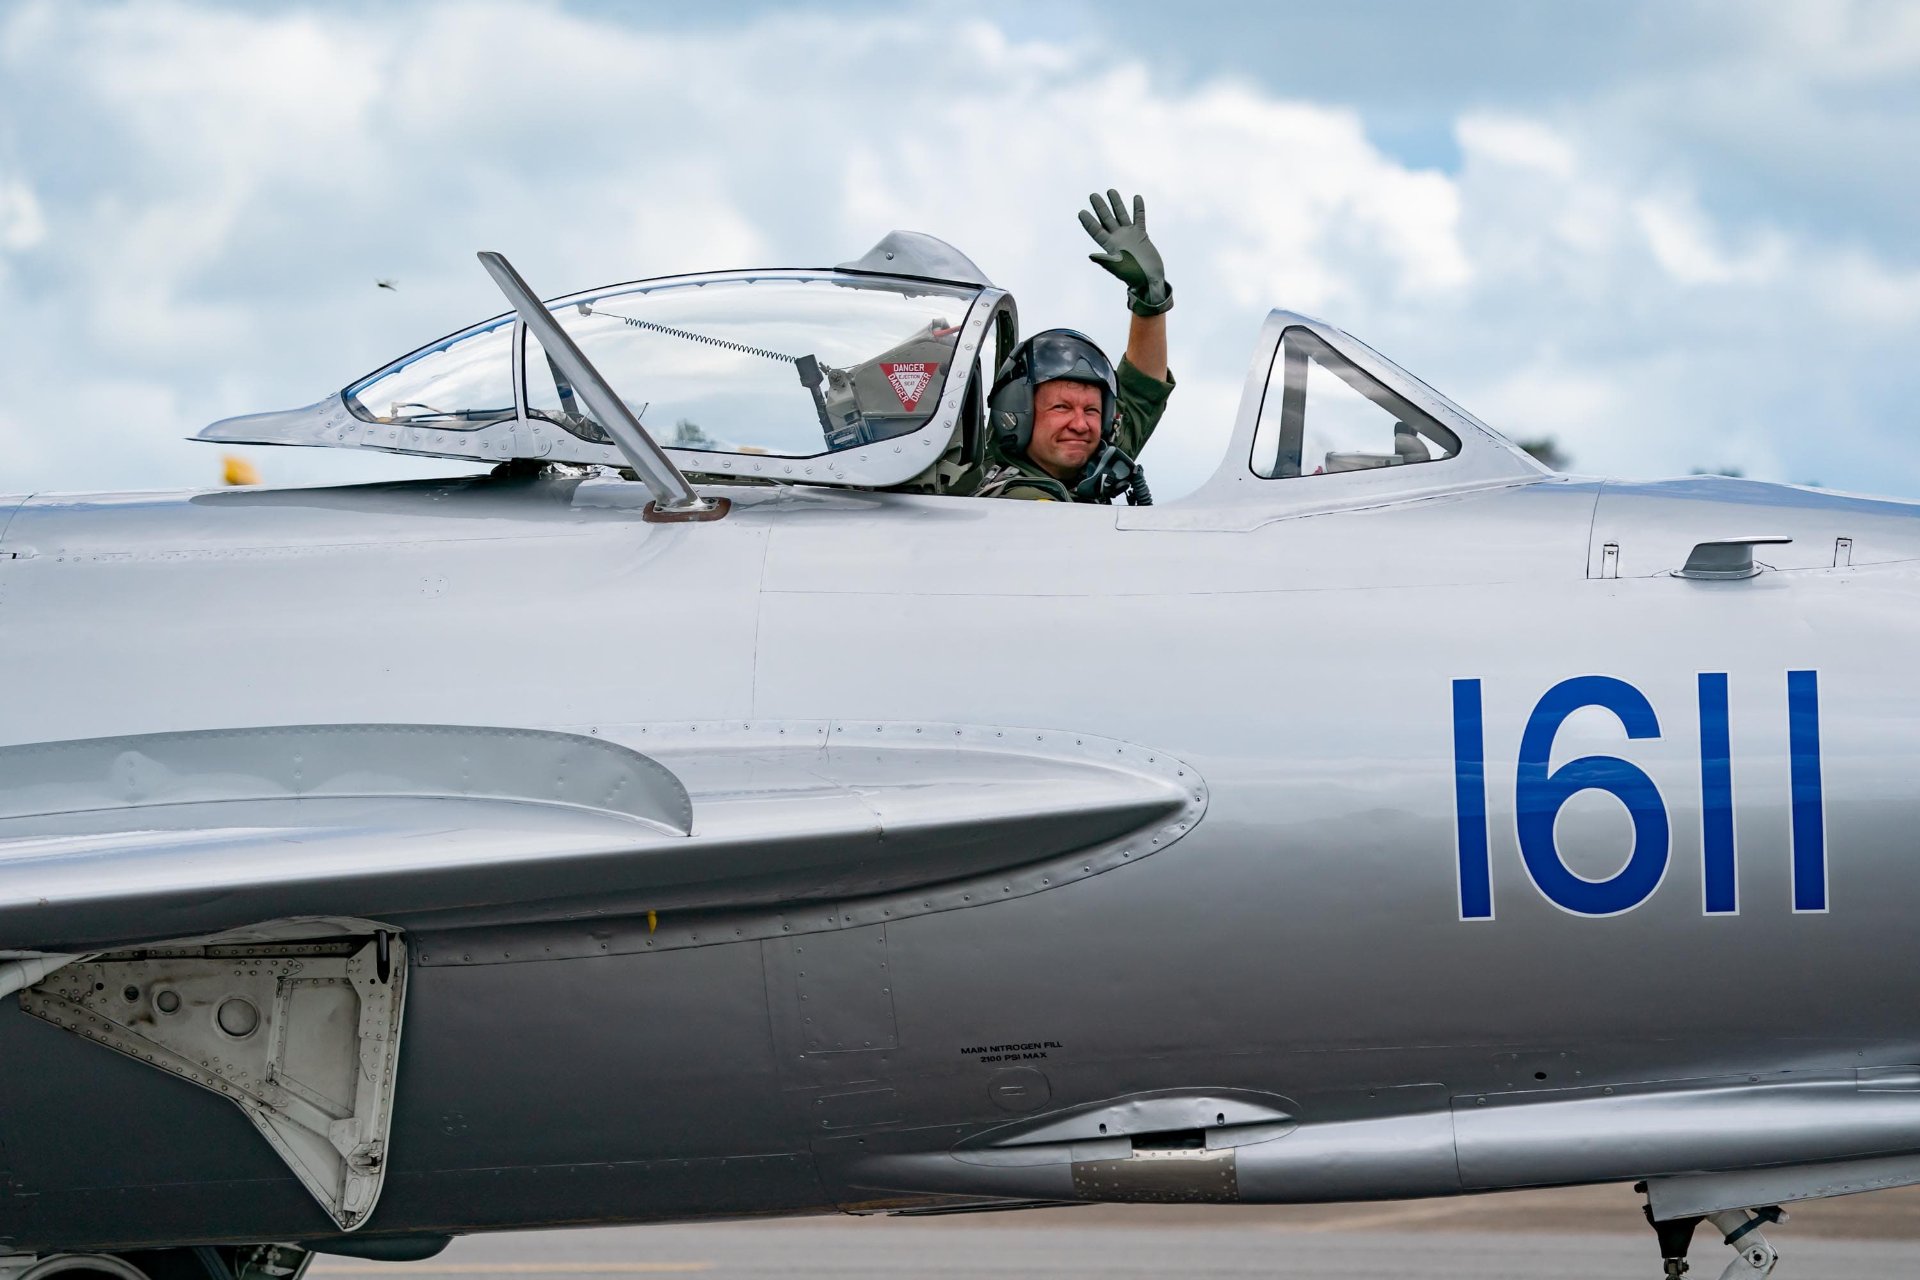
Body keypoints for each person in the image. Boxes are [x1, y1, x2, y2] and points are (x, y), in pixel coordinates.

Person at [976, 190, 1174, 502]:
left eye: (1092, 411)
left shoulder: (1088, 468)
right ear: (1016, 413)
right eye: (1061, 407)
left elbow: (1142, 391)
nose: (1080, 425)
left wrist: (1150, 298)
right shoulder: (1006, 500)